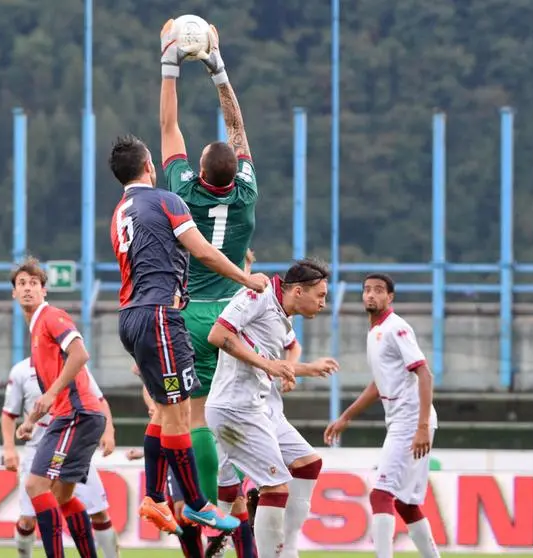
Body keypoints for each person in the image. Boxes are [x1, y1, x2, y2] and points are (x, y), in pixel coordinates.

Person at [108, 129, 267, 535]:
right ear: (149, 167)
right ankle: (198, 504)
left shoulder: (121, 211)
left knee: (165, 410)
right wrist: (245, 278)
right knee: (182, 414)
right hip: (161, 317)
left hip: (131, 317)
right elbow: (203, 251)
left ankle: (153, 497)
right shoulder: (166, 201)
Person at [160, 19, 260, 511]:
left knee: (196, 414)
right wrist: (218, 70)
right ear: (236, 172)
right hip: (238, 314)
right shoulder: (246, 194)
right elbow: (237, 130)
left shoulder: (183, 190)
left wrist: (169, 65)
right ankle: (239, 496)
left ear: (198, 169)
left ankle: (204, 505)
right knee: (237, 411)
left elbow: (168, 128)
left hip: (195, 312)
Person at [205, 258, 339, 558]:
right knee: (274, 487)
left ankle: (284, 547)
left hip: (257, 408)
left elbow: (277, 355)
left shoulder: (281, 312)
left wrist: (291, 368)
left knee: (307, 464)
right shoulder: (258, 294)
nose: (323, 303)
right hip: (234, 410)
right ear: (298, 291)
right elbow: (218, 335)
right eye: (320, 295)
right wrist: (269, 365)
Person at [324, 274, 441, 558]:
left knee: (381, 494)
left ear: (390, 297)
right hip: (405, 420)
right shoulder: (375, 331)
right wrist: (346, 417)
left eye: (378, 290)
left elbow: (425, 374)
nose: (371, 295)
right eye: (366, 290)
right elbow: (378, 384)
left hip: (411, 419)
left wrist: (422, 426)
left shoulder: (396, 328)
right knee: (405, 504)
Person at [11, 256, 107, 558]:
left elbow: (80, 354)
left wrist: (52, 393)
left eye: (34, 283)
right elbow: (50, 389)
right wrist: (30, 421)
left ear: (44, 290)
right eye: (22, 284)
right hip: (81, 415)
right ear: (14, 292)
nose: (28, 288)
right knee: (61, 496)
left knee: (35, 486)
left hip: (75, 415)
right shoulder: (36, 329)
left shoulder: (51, 316)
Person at [1, 357, 120, 558]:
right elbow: (9, 413)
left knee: (98, 512)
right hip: (38, 447)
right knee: (27, 520)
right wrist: (9, 449)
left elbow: (98, 400)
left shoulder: (73, 364)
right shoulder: (21, 371)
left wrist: (109, 432)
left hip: (74, 443)